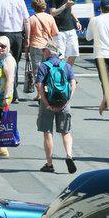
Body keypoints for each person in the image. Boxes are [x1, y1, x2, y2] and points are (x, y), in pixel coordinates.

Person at [36, 42, 77, 173]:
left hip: (48, 102)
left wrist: (46, 103)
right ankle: (69, 155)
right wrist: (67, 101)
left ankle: (49, 164)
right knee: (66, 131)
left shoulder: (44, 66)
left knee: (48, 132)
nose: (43, 52)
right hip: (63, 102)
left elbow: (39, 85)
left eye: (44, 50)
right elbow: (73, 83)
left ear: (48, 52)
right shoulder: (66, 66)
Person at [0, 0, 30, 100]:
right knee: (15, 63)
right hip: (17, 34)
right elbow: (26, 21)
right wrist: (27, 37)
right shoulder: (20, 1)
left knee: (4, 62)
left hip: (4, 33)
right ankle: (14, 91)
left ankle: (8, 90)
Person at [27, 0, 59, 101]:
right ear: (44, 6)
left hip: (35, 46)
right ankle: (48, 91)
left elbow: (28, 34)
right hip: (48, 47)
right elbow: (55, 33)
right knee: (48, 70)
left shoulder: (31, 19)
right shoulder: (50, 17)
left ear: (34, 7)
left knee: (37, 70)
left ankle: (39, 93)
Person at [48, 0, 81, 66]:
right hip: (59, 30)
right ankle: (59, 74)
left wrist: (76, 21)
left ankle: (67, 72)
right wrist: (65, 6)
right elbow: (53, 13)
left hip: (70, 28)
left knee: (74, 53)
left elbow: (71, 10)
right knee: (60, 55)